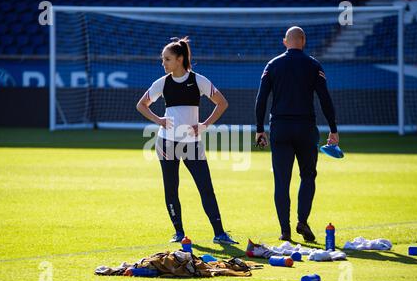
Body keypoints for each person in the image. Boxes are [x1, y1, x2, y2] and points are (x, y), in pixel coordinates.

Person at [136, 37, 238, 245]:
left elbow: (222, 103)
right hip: (166, 144)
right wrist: (159, 120)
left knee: (205, 187)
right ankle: (179, 232)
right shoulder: (162, 83)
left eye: (167, 59)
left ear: (180, 59)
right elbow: (141, 104)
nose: (163, 63)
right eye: (163, 59)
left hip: (192, 144)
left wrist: (204, 125)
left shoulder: (198, 80)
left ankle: (219, 233)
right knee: (171, 188)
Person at [255, 26, 339, 242]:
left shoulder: (273, 65)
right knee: (308, 176)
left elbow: (261, 99)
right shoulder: (313, 65)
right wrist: (333, 129)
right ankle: (302, 221)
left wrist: (259, 129)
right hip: (305, 128)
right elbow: (325, 99)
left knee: (281, 181)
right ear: (303, 41)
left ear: (285, 41)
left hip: (280, 128)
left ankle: (285, 230)